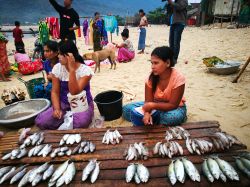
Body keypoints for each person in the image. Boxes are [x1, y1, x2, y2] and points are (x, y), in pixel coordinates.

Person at [35, 40, 94, 129]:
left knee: (81, 123)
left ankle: (68, 118)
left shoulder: (85, 70)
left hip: (82, 104)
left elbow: (74, 92)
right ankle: (65, 116)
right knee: (42, 121)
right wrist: (57, 109)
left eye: (61, 54)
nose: (58, 56)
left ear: (70, 56)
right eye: (58, 53)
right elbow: (55, 92)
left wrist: (72, 70)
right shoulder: (57, 68)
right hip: (64, 103)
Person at [123, 46, 187, 126]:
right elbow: (148, 101)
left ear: (167, 63)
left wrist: (151, 106)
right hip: (154, 106)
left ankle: (153, 119)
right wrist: (147, 113)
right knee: (126, 110)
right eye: (151, 63)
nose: (152, 67)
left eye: (156, 63)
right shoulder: (150, 78)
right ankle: (153, 118)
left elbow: (173, 105)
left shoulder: (178, 78)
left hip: (174, 108)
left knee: (173, 118)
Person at [167, 0, 188, 64]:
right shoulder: (175, 1)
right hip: (173, 23)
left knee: (176, 42)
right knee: (171, 41)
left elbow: (180, 7)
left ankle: (175, 58)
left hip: (180, 23)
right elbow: (169, 10)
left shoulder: (184, 0)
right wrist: (169, 4)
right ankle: (171, 57)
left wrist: (171, 2)